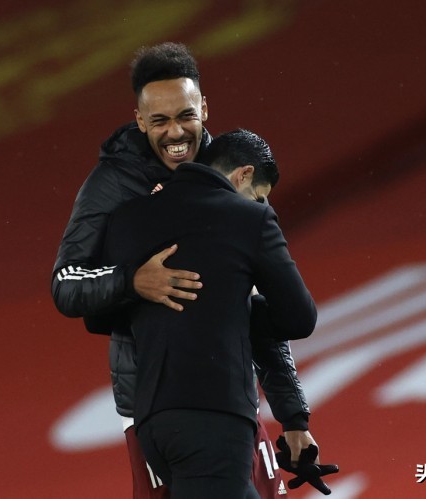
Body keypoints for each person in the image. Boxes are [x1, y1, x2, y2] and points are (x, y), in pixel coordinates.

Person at [51, 42, 322, 497]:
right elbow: (66, 283)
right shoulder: (112, 185)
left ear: (204, 110)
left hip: (227, 397)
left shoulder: (228, 170)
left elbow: (256, 303)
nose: (176, 132)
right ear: (140, 121)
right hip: (152, 404)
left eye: (186, 116)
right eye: (160, 120)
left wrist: (292, 415)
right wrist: (132, 281)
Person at [102, 129, 317, 498]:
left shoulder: (127, 217)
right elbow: (299, 317)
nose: (261, 205)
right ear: (243, 175)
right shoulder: (247, 220)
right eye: (259, 196)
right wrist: (237, 310)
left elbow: (97, 314)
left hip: (151, 418)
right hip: (213, 414)